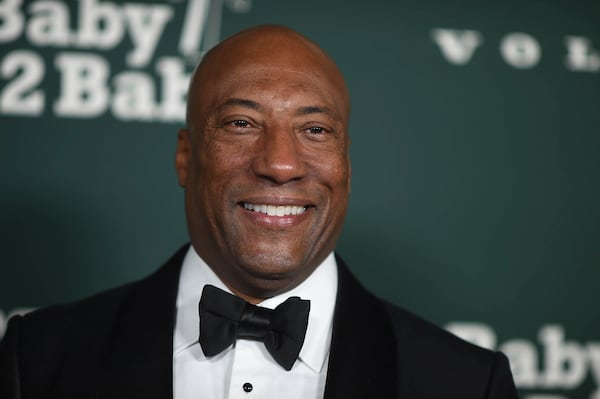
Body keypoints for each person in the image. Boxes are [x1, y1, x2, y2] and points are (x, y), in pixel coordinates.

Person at [0, 25, 518, 398]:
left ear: (347, 163)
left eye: (315, 130)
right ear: (186, 156)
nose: (280, 164)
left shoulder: (468, 384)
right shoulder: (39, 361)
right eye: (241, 124)